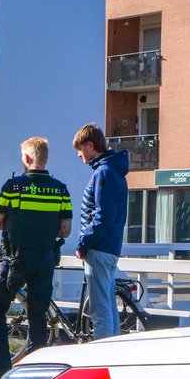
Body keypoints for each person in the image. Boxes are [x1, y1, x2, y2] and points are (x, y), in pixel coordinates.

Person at [0, 136, 72, 379]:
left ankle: (0, 369)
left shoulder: (13, 186)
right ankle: (37, 371)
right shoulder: (60, 189)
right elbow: (65, 230)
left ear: (27, 159)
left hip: (15, 259)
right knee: (37, 314)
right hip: (45, 258)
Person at [72, 124, 129, 340]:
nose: (79, 155)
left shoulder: (103, 173)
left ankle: (103, 358)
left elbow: (102, 215)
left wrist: (84, 244)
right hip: (110, 247)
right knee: (108, 306)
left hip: (99, 248)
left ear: (90, 145)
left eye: (80, 149)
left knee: (100, 309)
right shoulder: (113, 171)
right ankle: (113, 351)